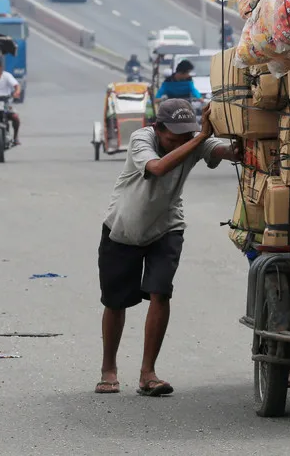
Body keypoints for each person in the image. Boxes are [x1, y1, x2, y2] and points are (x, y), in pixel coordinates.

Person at [96, 99, 240, 397]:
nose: (180, 143)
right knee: (115, 302)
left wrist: (239, 129)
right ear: (157, 128)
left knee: (160, 293)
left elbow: (230, 152)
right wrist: (199, 138)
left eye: (185, 137)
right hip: (123, 229)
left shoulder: (193, 140)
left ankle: (148, 373)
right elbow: (158, 167)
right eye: (173, 139)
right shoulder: (141, 139)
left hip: (167, 227)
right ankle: (108, 368)